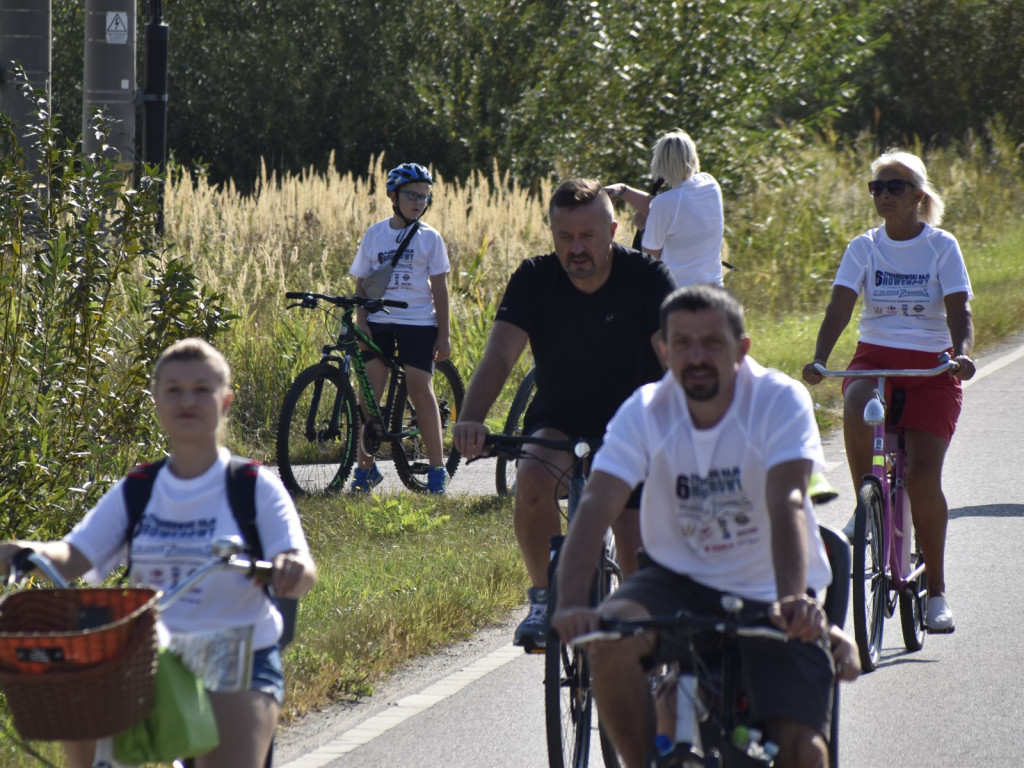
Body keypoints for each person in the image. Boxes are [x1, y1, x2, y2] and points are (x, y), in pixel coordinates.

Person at [551, 285, 855, 768]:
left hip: (772, 588)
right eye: (683, 343)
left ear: (742, 348)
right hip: (678, 581)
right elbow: (595, 506)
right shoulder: (646, 409)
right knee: (608, 643)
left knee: (802, 751)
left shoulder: (778, 399)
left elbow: (789, 500)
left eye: (712, 343)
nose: (696, 357)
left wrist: (793, 597)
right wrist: (569, 604)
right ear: (663, 350)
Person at [0, 338, 318, 768]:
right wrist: (27, 551)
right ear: (157, 401)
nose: (187, 400)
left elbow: (298, 562)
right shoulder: (140, 488)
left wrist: (292, 567)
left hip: (236, 652)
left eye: (201, 389)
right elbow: (74, 555)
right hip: (147, 656)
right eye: (174, 390)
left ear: (225, 402)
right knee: (84, 739)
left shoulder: (253, 485)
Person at [452, 178, 676, 650]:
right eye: (564, 237)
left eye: (588, 236)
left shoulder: (647, 279)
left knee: (637, 557)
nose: (576, 249)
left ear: (613, 230)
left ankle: (645, 659)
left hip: (633, 426)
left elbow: (673, 358)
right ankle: (543, 599)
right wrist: (470, 417)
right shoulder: (535, 278)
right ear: (551, 234)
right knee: (531, 478)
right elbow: (499, 356)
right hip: (560, 418)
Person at [802, 149, 975, 633]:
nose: (882, 196)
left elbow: (960, 311)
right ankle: (867, 503)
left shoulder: (942, 246)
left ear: (919, 195)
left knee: (922, 478)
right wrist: (820, 356)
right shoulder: (864, 246)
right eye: (876, 187)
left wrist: (960, 354)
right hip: (876, 355)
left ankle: (937, 592)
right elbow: (840, 306)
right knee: (856, 399)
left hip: (932, 364)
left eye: (893, 187)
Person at [349, 161, 452, 494]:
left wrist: (444, 334)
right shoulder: (375, 234)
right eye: (412, 195)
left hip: (418, 323)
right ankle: (365, 471)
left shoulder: (430, 238)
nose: (419, 201)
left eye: (424, 196)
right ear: (393, 196)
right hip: (379, 321)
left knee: (421, 389)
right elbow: (361, 283)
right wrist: (361, 322)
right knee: (369, 395)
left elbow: (440, 289)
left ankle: (437, 471)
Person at [605, 129, 725, 287]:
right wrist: (623, 190)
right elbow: (663, 206)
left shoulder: (665, 204)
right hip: (714, 291)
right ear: (692, 156)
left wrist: (643, 228)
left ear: (661, 163)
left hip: (679, 296)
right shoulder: (710, 184)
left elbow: (650, 259)